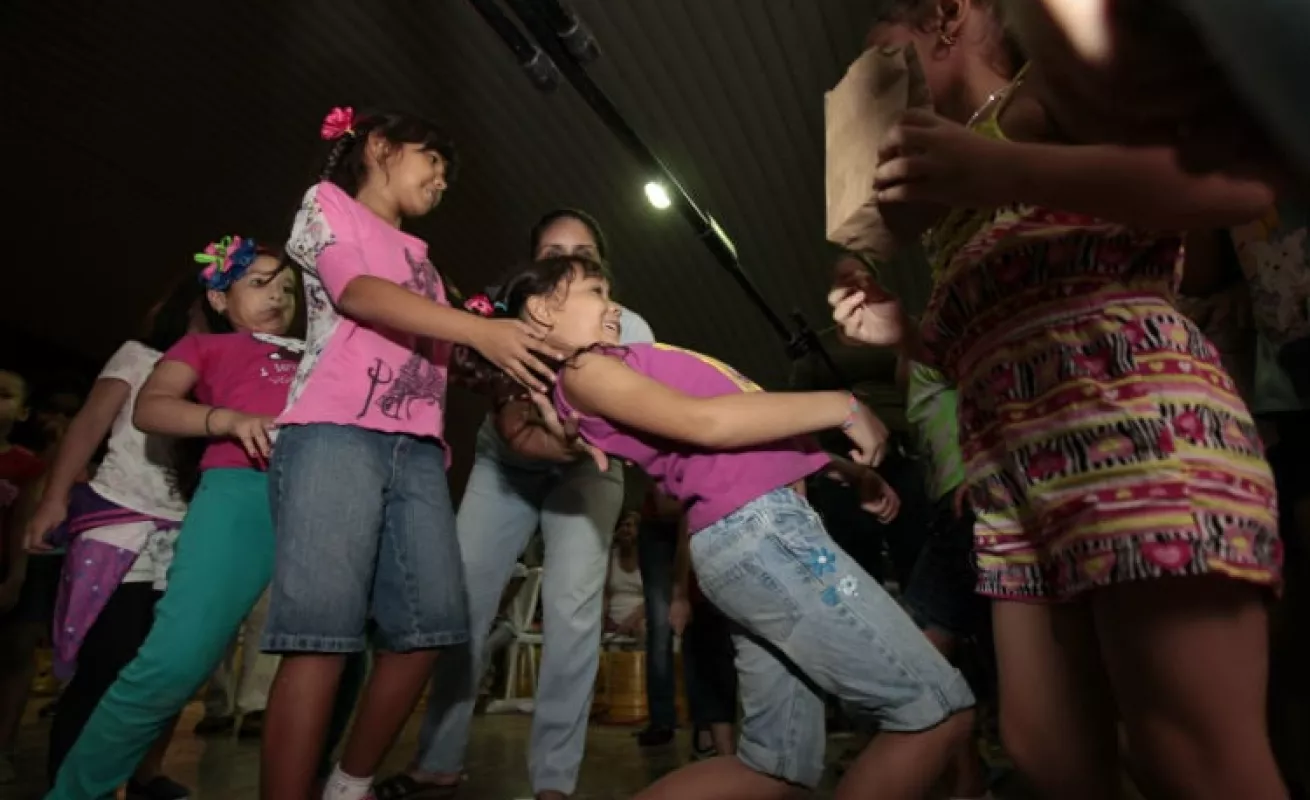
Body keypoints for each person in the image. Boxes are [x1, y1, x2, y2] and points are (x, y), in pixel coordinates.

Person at [831, 2, 1285, 797]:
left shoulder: (1049, 90)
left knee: (1192, 754)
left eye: (882, 60)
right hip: (1017, 474)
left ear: (944, 18)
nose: (873, 93)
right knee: (1046, 748)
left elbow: (1234, 181)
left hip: (1128, 419)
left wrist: (1008, 169)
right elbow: (989, 329)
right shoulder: (950, 196)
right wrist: (903, 332)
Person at [476, 254, 975, 800]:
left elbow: (746, 418)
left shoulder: (622, 361)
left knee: (775, 766)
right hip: (761, 532)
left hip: (755, 536)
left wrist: (841, 468)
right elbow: (705, 423)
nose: (613, 303)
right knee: (937, 710)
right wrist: (842, 404)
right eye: (596, 290)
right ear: (542, 310)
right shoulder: (586, 369)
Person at [259, 106, 558, 800]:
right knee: (322, 641)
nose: (443, 179)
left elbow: (452, 350)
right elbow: (357, 293)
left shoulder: (424, 262)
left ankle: (346, 785)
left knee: (430, 626)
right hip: (334, 434)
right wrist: (477, 333)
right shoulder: (327, 204)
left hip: (419, 450)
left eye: (448, 171)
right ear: (381, 147)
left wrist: (514, 362)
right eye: (433, 160)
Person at [378, 208, 654, 800]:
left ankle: (554, 783)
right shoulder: (506, 317)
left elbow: (641, 412)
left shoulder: (627, 327)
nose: (568, 263)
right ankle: (437, 762)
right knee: (464, 604)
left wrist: (591, 440)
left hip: (588, 471)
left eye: (583, 254)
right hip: (508, 466)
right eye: (552, 253)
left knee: (572, 608)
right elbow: (513, 428)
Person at [46, 236, 301, 800]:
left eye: (288, 287)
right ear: (217, 298)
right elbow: (151, 407)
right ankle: (72, 792)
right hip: (239, 493)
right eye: (259, 283)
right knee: (173, 660)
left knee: (326, 658)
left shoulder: (313, 354)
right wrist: (227, 419)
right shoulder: (199, 349)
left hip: (319, 500)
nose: (278, 296)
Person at [23, 277, 206, 797]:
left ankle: (145, 774)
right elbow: (88, 425)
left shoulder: (217, 373)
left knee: (168, 668)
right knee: (105, 666)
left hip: (186, 534)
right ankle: (70, 784)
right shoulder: (140, 356)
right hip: (120, 528)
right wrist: (54, 499)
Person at [0, 367, 46, 784]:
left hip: (12, 571)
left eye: (5, 395)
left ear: (23, 411)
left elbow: (24, 525)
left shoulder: (27, 466)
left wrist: (15, 575)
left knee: (16, 655)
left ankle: (5, 746)